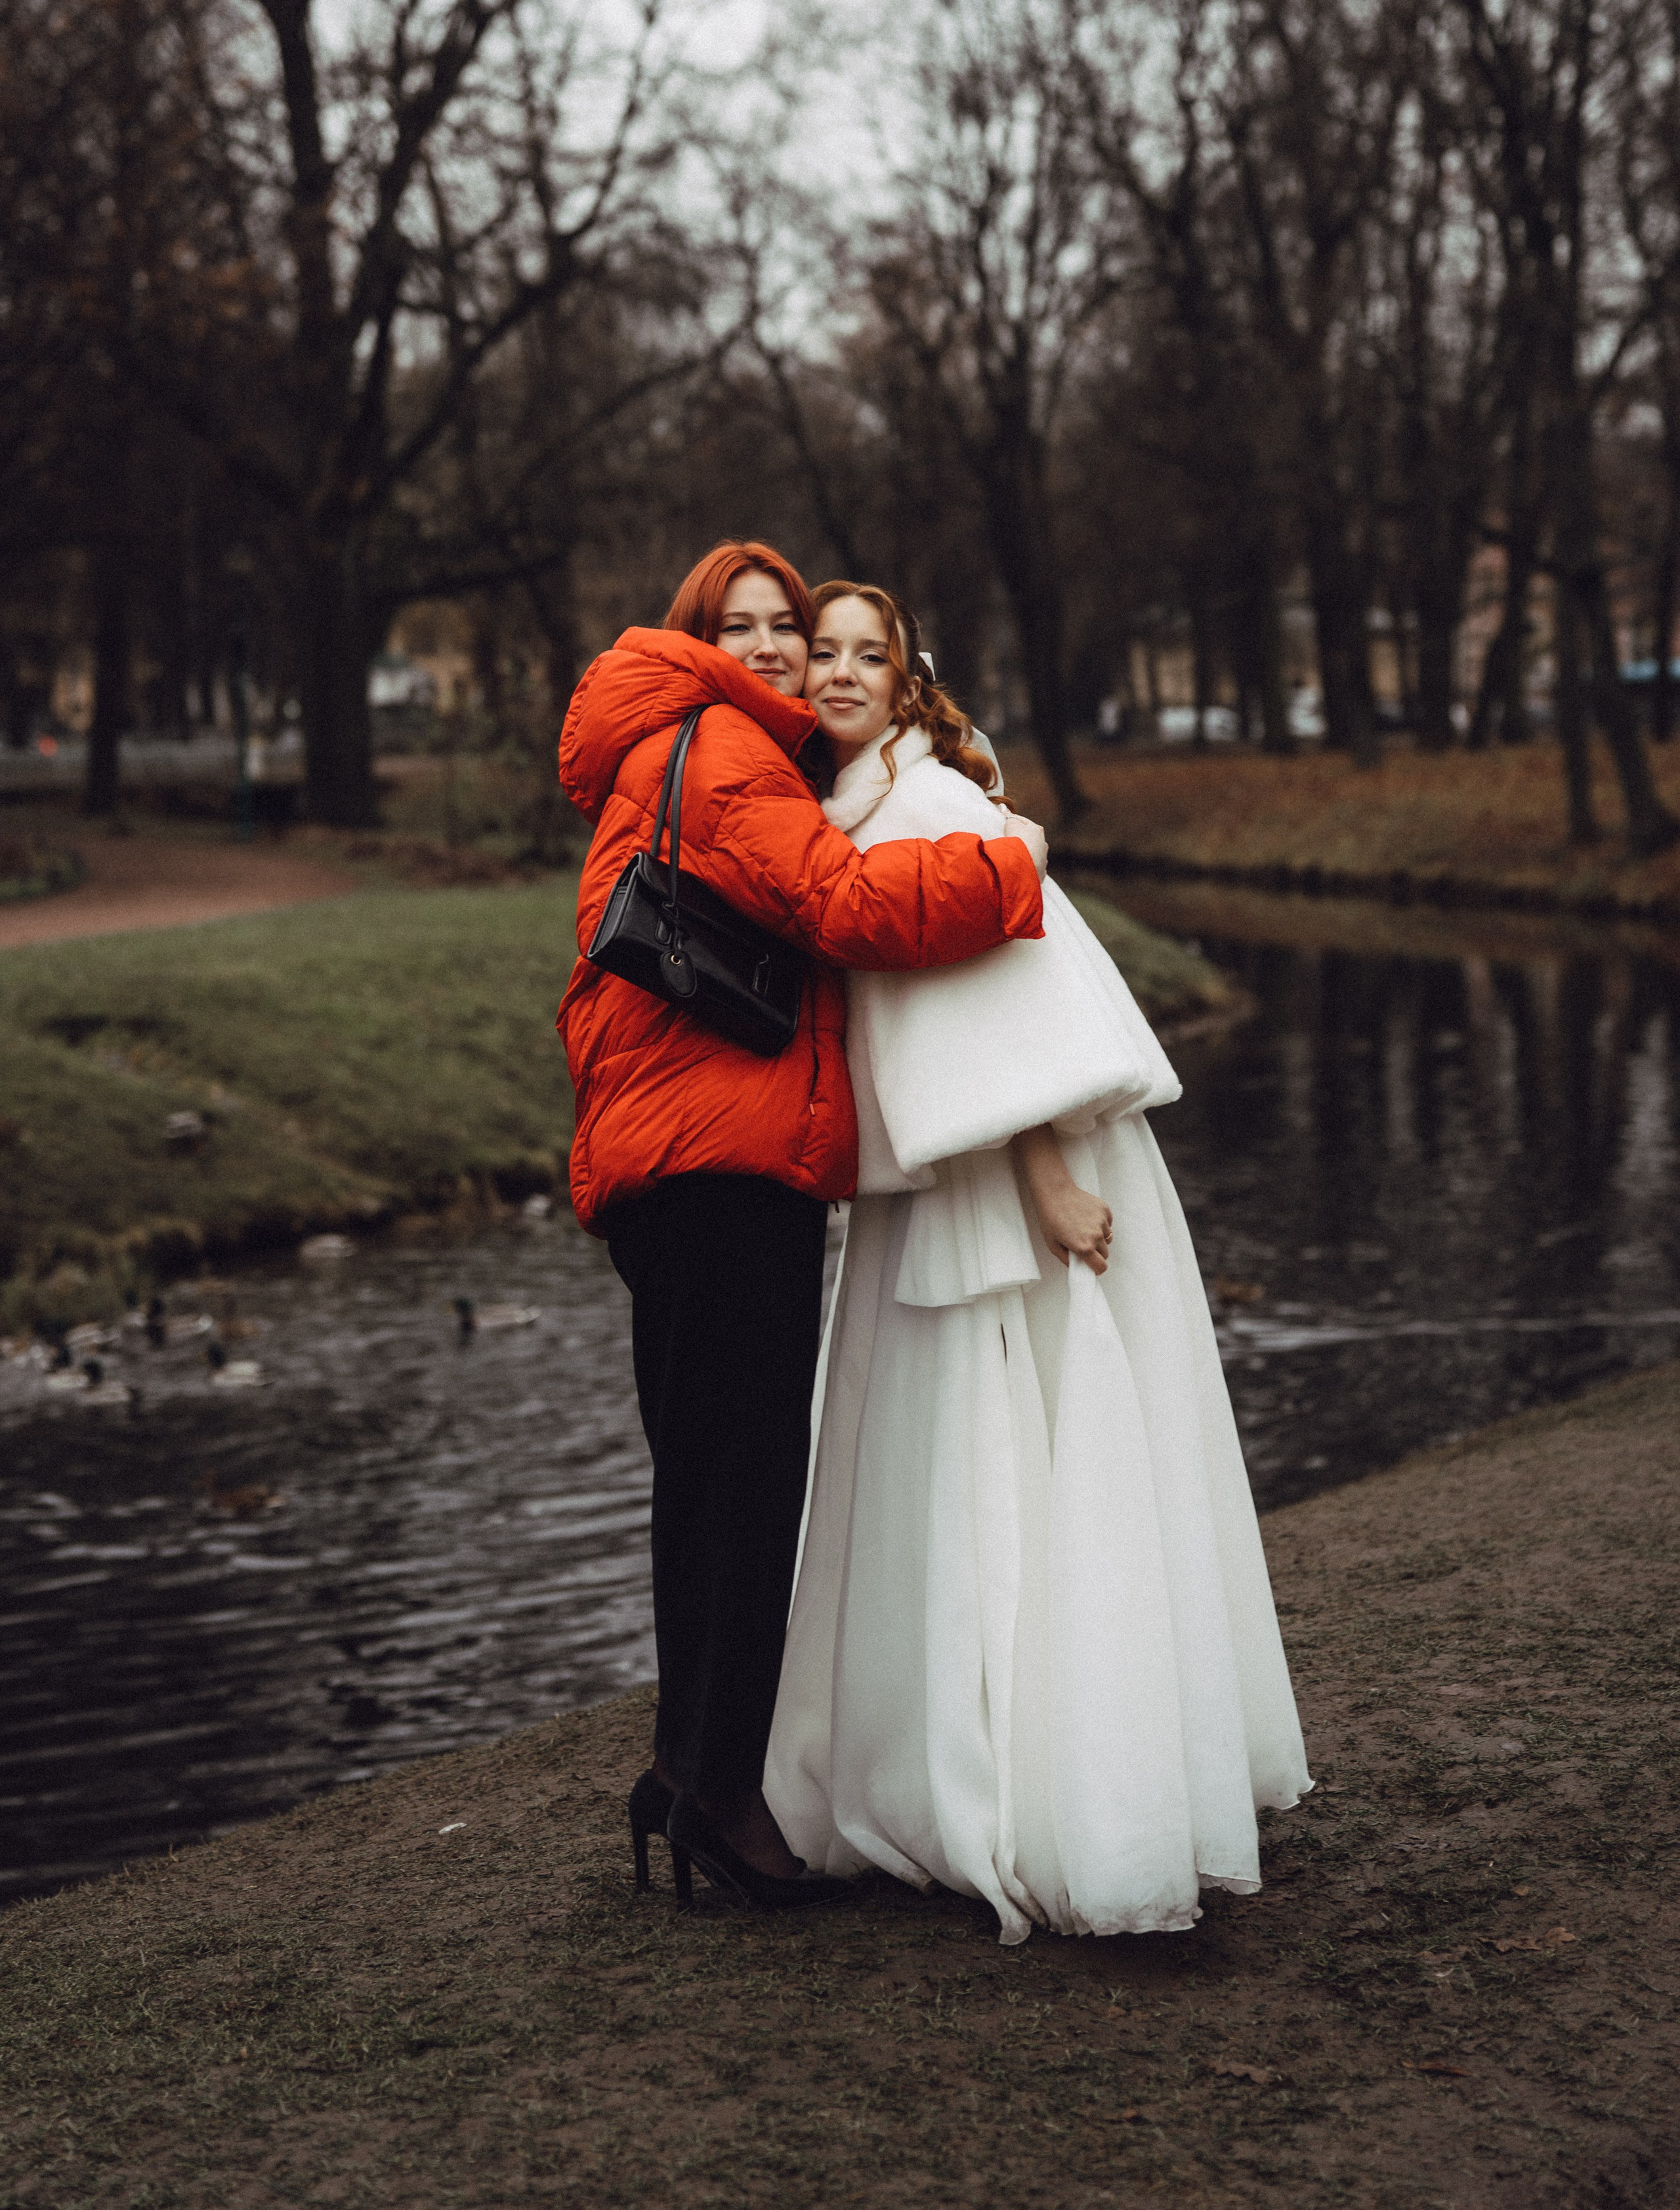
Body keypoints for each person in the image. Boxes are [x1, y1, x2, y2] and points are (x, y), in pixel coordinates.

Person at [765, 582, 1312, 1942]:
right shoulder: (847, 812)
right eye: (819, 653)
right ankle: (956, 1766)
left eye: (864, 656)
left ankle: (1061, 1787)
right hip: (941, 1177)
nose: (836, 674)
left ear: (905, 678)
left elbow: (1007, 1004)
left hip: (1017, 1171)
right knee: (938, 1477)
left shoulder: (938, 809)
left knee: (1033, 1460)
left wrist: (1050, 1178)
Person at [555, 542, 1051, 1912]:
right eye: (745, 624)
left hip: (685, 1159)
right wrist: (1007, 868)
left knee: (706, 1480)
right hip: (719, 1165)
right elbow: (839, 905)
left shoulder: (678, 735)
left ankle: (689, 1774)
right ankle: (718, 1796)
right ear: (698, 636)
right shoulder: (721, 747)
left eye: (790, 625)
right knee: (745, 1486)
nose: (776, 647)